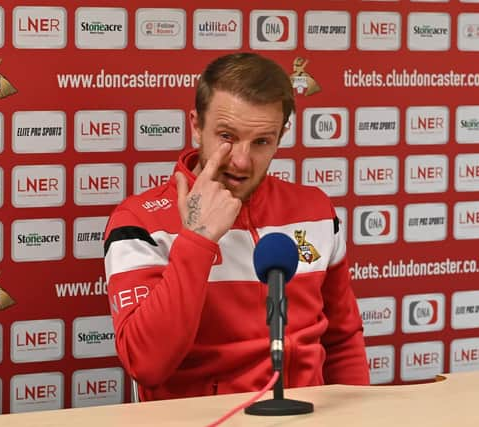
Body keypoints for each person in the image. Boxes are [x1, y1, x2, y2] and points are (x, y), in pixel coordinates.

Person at [103, 52, 369, 402]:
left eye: (262, 141)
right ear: (196, 126)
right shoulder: (139, 221)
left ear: (281, 135)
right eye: (227, 136)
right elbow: (147, 363)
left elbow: (342, 338)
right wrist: (197, 239)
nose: (242, 161)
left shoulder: (314, 209)